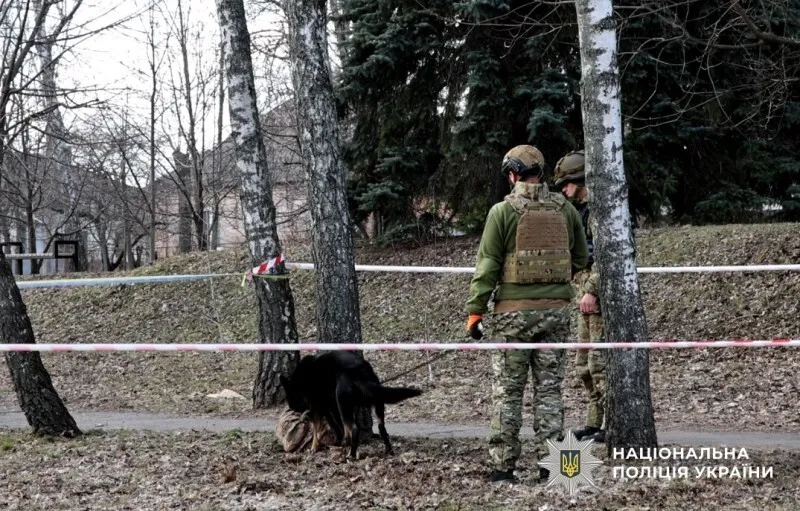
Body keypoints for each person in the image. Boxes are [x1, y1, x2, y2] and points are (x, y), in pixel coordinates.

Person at [465, 145, 589, 484]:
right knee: (550, 393)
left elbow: (488, 265)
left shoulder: (502, 211)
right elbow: (580, 259)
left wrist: (475, 311)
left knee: (508, 393)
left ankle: (503, 469)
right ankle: (555, 469)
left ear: (512, 174)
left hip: (512, 317)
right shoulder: (566, 209)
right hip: (555, 315)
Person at [553, 149, 606, 443]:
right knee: (584, 365)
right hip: (582, 289)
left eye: (567, 183)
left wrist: (592, 290)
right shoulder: (582, 211)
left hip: (596, 294)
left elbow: (607, 257)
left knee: (599, 363)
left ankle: (611, 422)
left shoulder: (599, 211)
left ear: (580, 178)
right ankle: (594, 423)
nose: (563, 189)